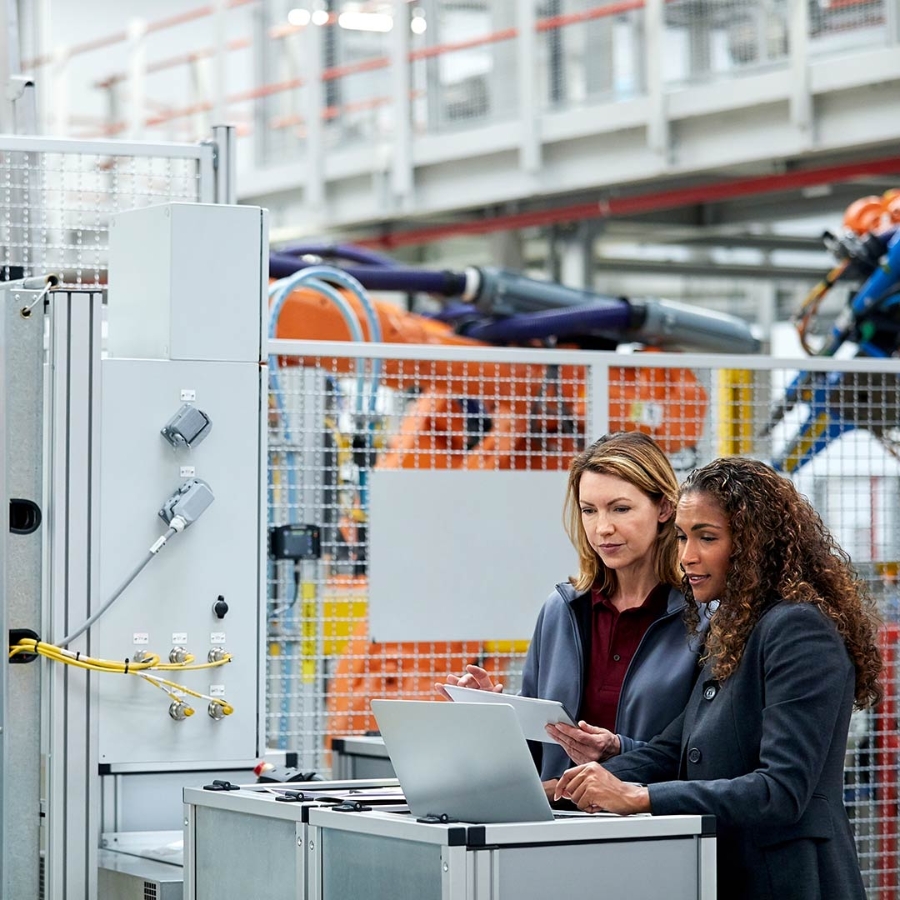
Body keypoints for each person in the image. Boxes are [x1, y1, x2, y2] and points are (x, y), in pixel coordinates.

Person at [555, 456, 883, 900]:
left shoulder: (799, 629)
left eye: (707, 538)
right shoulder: (737, 627)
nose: (687, 556)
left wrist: (641, 799)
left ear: (755, 544)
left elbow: (782, 790)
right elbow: (673, 751)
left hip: (791, 880)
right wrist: (563, 788)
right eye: (683, 538)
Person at [438, 431, 705, 784]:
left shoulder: (704, 617)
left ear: (664, 508)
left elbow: (710, 756)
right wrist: (498, 718)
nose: (602, 528)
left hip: (658, 827)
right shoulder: (560, 611)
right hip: (560, 829)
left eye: (620, 508)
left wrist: (620, 751)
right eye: (588, 510)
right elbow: (535, 754)